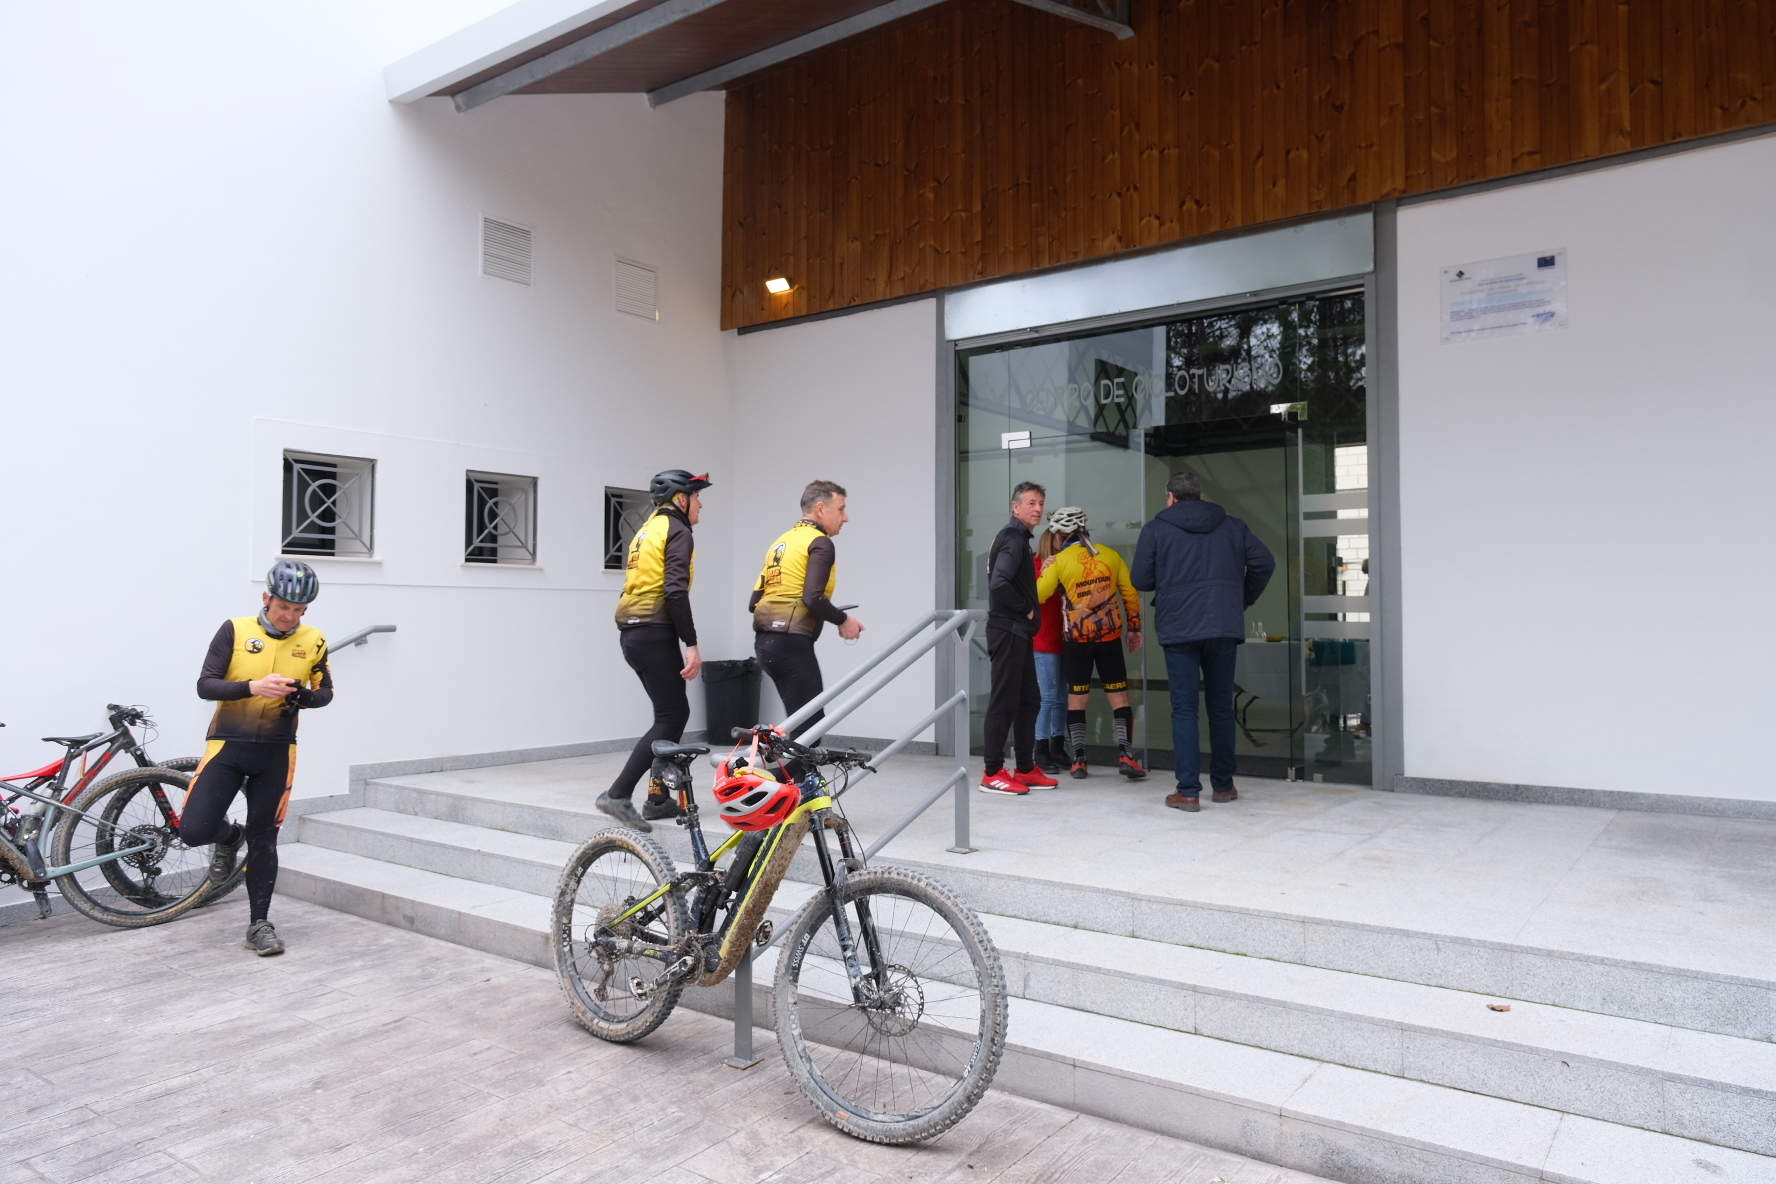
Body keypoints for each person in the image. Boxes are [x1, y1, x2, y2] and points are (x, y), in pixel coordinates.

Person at [182, 559, 334, 956]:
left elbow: (325, 693)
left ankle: (259, 924)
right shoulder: (234, 630)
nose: (290, 616)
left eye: (299, 610)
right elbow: (205, 686)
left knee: (265, 839)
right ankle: (230, 838)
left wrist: (302, 696)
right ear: (266, 598)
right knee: (193, 830)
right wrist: (253, 686)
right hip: (228, 745)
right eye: (284, 607)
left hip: (277, 753)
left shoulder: (314, 640)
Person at [1131, 472, 1275, 813]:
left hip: (1180, 628)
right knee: (1222, 706)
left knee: (1184, 709)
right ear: (1200, 495)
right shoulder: (1232, 525)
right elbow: (1264, 562)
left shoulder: (1156, 529)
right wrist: (1239, 599)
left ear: (1170, 497)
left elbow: (1141, 578)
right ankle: (1223, 786)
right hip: (1223, 626)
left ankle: (1189, 791)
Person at [597, 469, 711, 832]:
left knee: (671, 713)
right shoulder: (677, 530)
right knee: (672, 714)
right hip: (654, 631)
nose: (701, 504)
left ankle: (658, 799)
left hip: (632, 631)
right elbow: (675, 591)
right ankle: (618, 794)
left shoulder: (646, 530)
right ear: (682, 499)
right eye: (697, 496)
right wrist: (691, 644)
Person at [1036, 506, 1147, 781]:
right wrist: (1134, 628)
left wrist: (1046, 568)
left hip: (1077, 640)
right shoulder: (1110, 555)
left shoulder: (1060, 560)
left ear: (1061, 534)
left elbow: (1038, 595)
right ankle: (1126, 755)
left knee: (1077, 700)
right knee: (1119, 696)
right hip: (1109, 637)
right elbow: (1129, 593)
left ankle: (1079, 760)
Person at [749, 480, 865, 739]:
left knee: (800, 723)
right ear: (821, 508)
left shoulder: (781, 542)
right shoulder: (820, 542)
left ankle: (787, 776)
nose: (845, 518)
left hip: (766, 643)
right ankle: (787, 779)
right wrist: (843, 619)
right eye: (841, 509)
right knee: (810, 728)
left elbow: (753, 602)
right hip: (791, 644)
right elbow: (812, 598)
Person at [980, 482, 1056, 795]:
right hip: (1008, 631)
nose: (1038, 508)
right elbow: (999, 583)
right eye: (1031, 503)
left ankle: (1025, 768)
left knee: (1029, 700)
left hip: (1018, 633)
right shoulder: (1012, 538)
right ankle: (992, 772)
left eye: (1041, 503)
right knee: (1004, 701)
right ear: (1015, 507)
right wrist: (1026, 608)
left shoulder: (1019, 540)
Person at [1032, 525, 1068, 774]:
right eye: (1062, 538)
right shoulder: (1035, 564)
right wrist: (1044, 571)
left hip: (1064, 640)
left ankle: (1058, 745)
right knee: (1048, 697)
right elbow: (1031, 596)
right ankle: (1040, 748)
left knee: (1061, 697)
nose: (1066, 543)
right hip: (1043, 641)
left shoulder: (1065, 565)